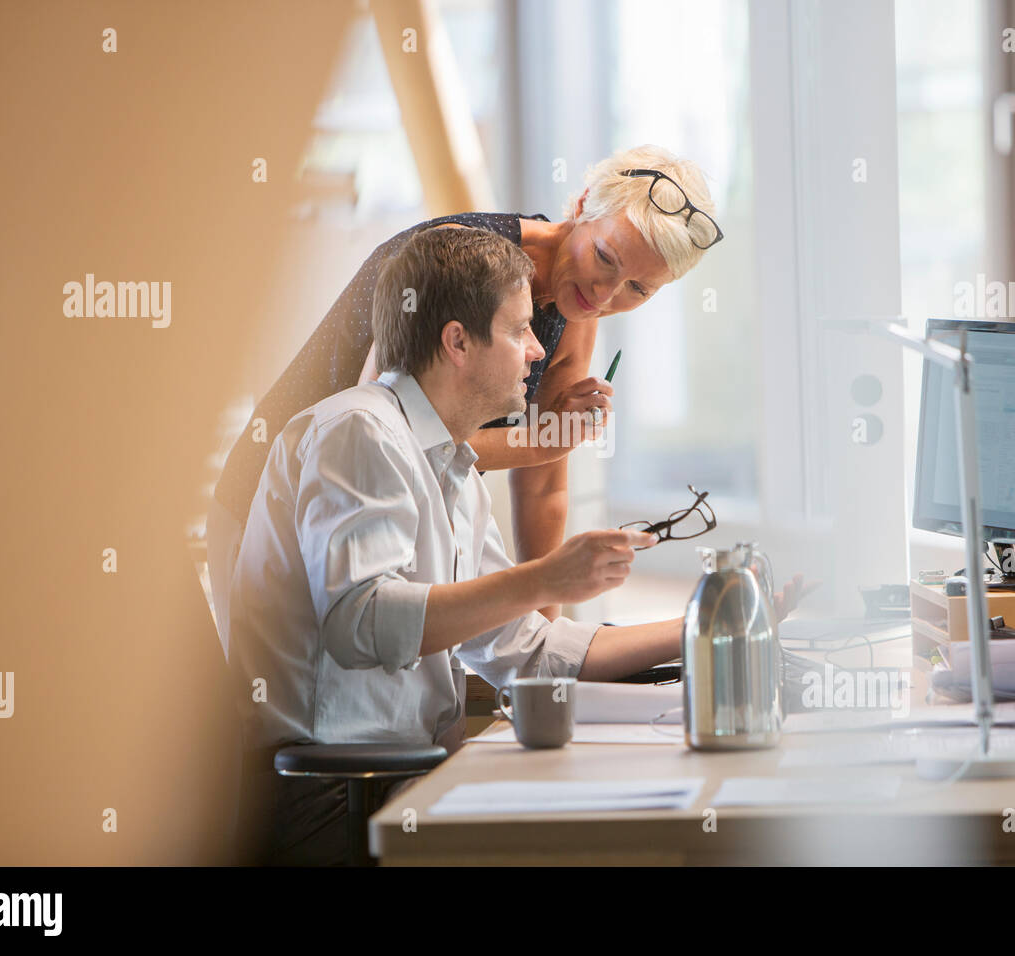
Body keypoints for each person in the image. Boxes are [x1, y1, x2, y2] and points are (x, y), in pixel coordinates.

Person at [228, 226, 683, 864]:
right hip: (328, 799)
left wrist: (701, 628)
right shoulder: (358, 432)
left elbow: (523, 650)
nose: (535, 353)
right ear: (458, 341)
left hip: (400, 781)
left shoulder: (451, 464)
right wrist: (545, 579)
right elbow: (362, 626)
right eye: (521, 329)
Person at [208, 144, 721, 655]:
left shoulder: (577, 314)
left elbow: (543, 490)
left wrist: (544, 642)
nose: (606, 294)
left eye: (638, 288)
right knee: (276, 705)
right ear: (584, 203)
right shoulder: (456, 261)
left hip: (368, 525)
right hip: (269, 506)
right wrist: (539, 444)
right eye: (604, 257)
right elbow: (391, 433)